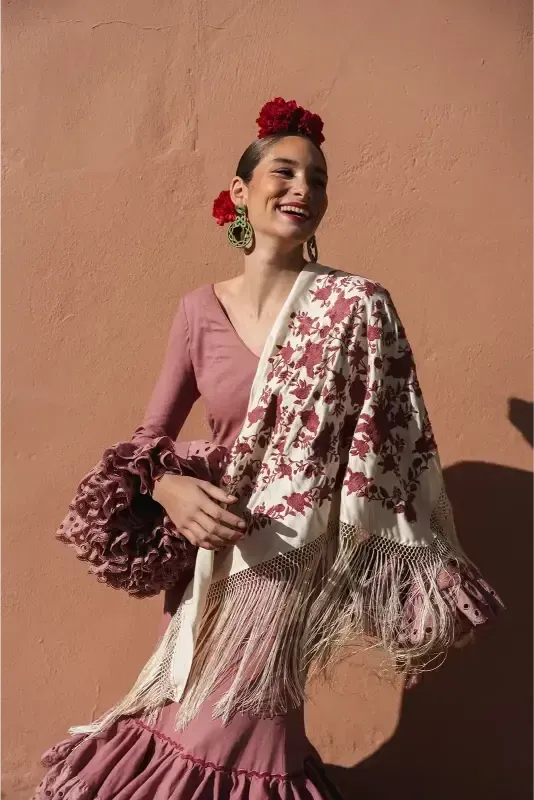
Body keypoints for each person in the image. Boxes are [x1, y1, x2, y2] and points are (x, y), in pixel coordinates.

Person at [34, 98, 502, 800]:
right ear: (239, 194)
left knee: (238, 745)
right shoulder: (198, 310)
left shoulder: (356, 308)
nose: (303, 190)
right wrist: (170, 488)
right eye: (284, 172)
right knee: (199, 732)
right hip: (207, 565)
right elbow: (146, 440)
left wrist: (421, 580)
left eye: (317, 179)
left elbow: (396, 450)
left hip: (287, 564)